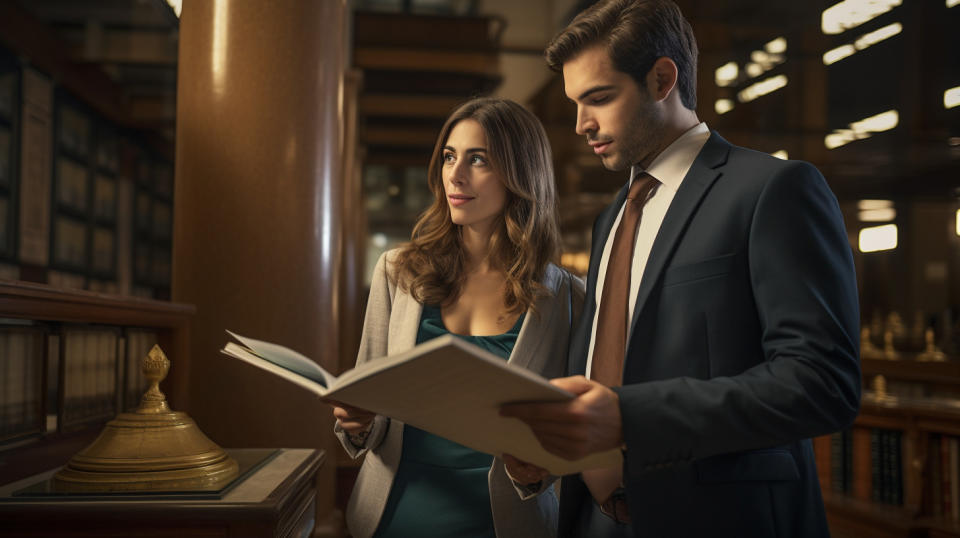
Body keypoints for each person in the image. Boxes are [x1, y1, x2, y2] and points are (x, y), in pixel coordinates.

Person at [500, 1, 861, 537]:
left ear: (663, 78)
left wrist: (629, 417)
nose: (581, 124)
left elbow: (822, 384)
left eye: (599, 98)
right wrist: (551, 452)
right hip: (590, 520)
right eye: (576, 103)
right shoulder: (610, 219)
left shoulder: (772, 190)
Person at [330, 97, 585, 538]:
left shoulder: (565, 297)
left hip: (506, 524)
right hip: (393, 516)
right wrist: (357, 423)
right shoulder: (398, 272)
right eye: (449, 157)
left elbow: (570, 439)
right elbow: (366, 416)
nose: (455, 174)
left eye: (478, 159)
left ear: (520, 174)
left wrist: (540, 473)